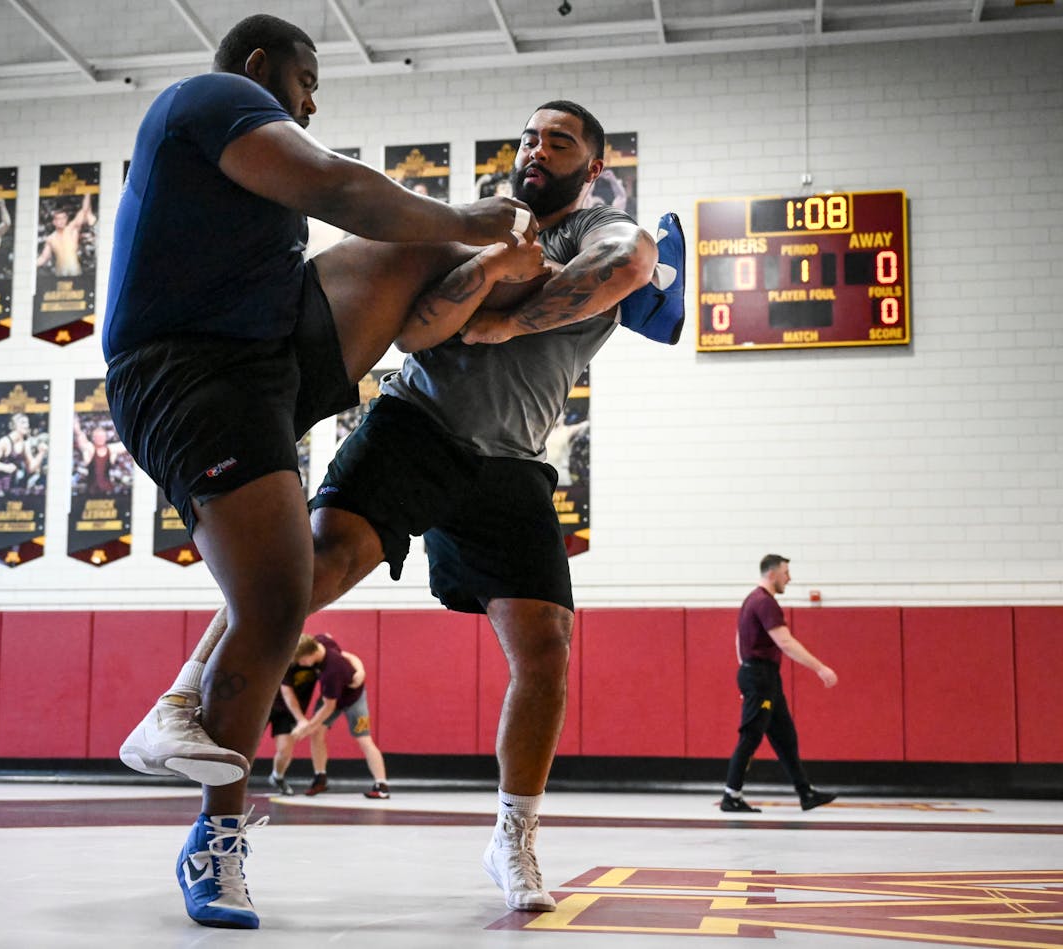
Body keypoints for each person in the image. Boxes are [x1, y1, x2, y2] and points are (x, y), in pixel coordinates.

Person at [121, 97, 686, 916]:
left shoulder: (600, 232)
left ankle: (513, 836)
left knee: (547, 645)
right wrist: (490, 274)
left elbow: (628, 267)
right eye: (527, 135)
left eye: (558, 141)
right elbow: (422, 331)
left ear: (593, 167)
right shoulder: (483, 231)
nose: (536, 148)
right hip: (417, 422)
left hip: (514, 458)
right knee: (296, 579)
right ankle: (205, 795)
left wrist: (505, 321)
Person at [103, 13, 533, 930]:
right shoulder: (210, 99)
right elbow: (342, 188)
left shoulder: (247, 160)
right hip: (187, 373)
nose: (308, 102)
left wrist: (472, 260)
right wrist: (466, 218)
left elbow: (381, 229)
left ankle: (599, 290)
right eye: (306, 83)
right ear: (261, 67)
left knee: (427, 255)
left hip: (265, 352)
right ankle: (213, 843)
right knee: (278, 598)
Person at [721, 554, 839, 813]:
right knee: (751, 735)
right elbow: (785, 642)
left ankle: (805, 792)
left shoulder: (753, 600)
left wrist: (747, 671)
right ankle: (731, 795)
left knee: (785, 736)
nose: (790, 578)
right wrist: (820, 668)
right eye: (786, 573)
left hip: (763, 676)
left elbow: (739, 639)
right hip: (760, 677)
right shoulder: (764, 603)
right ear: (772, 574)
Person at [288, 633, 389, 799]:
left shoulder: (331, 672)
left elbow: (328, 708)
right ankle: (320, 778)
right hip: (331, 696)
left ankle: (382, 785)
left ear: (310, 655)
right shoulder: (322, 641)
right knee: (316, 734)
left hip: (352, 699)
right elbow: (347, 655)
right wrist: (360, 669)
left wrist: (306, 727)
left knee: (364, 739)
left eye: (301, 660)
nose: (301, 664)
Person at [266, 653, 323, 795]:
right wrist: (301, 719)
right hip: (265, 705)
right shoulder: (286, 661)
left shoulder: (317, 659)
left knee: (285, 751)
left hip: (287, 712)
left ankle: (277, 777)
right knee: (248, 745)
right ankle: (232, 779)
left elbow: (342, 656)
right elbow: (287, 693)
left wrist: (359, 670)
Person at [0, 412, 47, 498]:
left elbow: (31, 468)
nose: (26, 425)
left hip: (13, 487)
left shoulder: (25, 444)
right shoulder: (5, 441)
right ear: (14, 425)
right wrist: (5, 467)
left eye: (27, 423)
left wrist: (41, 453)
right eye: (23, 422)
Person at [36, 192, 94, 277]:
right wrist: (29, 265)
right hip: (60, 275)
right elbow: (44, 258)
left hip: (76, 274)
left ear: (66, 219)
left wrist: (88, 193)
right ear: (54, 222)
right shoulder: (51, 238)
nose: (62, 221)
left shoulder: (71, 229)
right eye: (59, 219)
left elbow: (84, 210)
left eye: (64, 218)